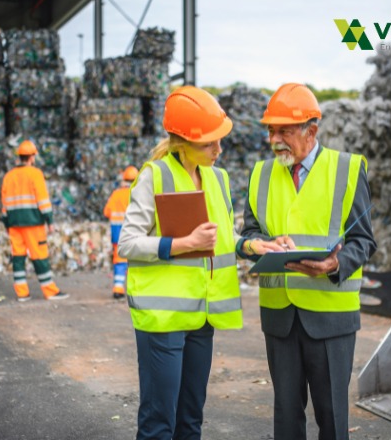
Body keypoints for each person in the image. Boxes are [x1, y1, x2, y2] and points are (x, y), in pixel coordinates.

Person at [118, 86, 281, 440]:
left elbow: (223, 239)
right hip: (161, 319)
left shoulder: (217, 178)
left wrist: (255, 245)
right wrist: (183, 244)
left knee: (191, 420)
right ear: (182, 141)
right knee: (159, 422)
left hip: (201, 315)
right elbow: (127, 243)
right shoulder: (155, 176)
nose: (218, 149)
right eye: (210, 143)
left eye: (220, 140)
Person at [238, 83, 376, 440]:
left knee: (331, 416)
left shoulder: (346, 169)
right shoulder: (260, 174)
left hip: (331, 317)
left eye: (284, 130)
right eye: (271, 130)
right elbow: (249, 234)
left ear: (311, 131)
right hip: (280, 316)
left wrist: (334, 265)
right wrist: (260, 245)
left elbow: (363, 240)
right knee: (286, 415)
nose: (275, 139)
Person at [1, 140, 68, 301]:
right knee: (39, 256)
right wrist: (50, 221)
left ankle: (22, 293)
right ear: (32, 157)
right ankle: (50, 291)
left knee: (18, 258)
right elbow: (43, 201)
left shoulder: (9, 176)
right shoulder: (35, 174)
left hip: (14, 224)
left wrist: (6, 223)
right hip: (33, 223)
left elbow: (4, 203)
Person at [103, 165, 139, 299]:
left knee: (119, 260)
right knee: (135, 261)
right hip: (133, 234)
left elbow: (107, 212)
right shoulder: (137, 193)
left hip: (117, 232)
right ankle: (133, 290)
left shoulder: (116, 194)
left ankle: (118, 288)